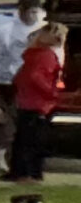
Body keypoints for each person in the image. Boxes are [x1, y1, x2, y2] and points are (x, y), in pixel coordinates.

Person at [9, 22, 67, 183]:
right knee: (34, 141)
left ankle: (19, 171)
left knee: (23, 139)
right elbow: (36, 77)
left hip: (26, 101)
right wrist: (53, 93)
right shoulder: (47, 56)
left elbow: (21, 77)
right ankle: (31, 173)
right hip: (39, 104)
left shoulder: (32, 55)